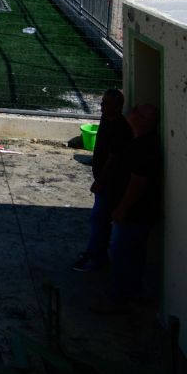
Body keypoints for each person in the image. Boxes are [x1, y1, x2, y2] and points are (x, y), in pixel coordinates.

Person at [95, 103, 162, 313]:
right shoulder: (138, 140)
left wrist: (123, 207)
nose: (131, 112)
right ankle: (129, 294)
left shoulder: (143, 147)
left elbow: (138, 181)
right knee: (132, 255)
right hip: (137, 213)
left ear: (144, 121)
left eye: (138, 112)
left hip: (134, 214)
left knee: (122, 254)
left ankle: (119, 299)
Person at [72, 89, 131, 272]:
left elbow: (113, 158)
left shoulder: (120, 128)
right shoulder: (106, 120)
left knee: (100, 219)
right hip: (103, 179)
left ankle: (97, 257)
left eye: (106, 104)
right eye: (102, 103)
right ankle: (93, 251)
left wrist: (100, 181)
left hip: (111, 183)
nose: (102, 107)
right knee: (98, 218)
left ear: (117, 106)